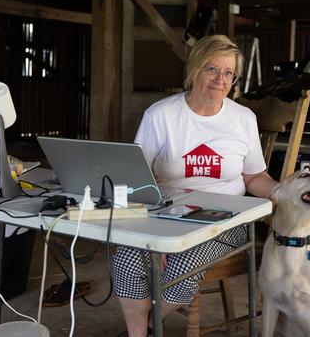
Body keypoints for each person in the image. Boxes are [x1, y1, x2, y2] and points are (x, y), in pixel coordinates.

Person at [113, 35, 278, 337]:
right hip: (164, 214)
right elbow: (137, 177)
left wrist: (282, 194)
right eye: (211, 69)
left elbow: (253, 177)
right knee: (127, 254)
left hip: (225, 220)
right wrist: (154, 231)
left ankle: (151, 324)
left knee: (185, 260)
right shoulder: (161, 115)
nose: (220, 79)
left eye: (229, 73)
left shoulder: (243, 119)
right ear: (194, 70)